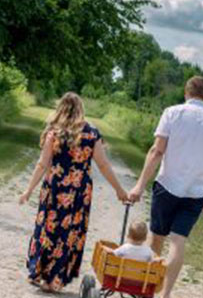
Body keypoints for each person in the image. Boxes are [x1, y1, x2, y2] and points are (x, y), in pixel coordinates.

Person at [129, 76, 203, 298]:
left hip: (167, 186)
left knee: (157, 237)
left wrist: (139, 186)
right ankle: (165, 295)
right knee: (178, 242)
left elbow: (157, 151)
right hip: (196, 193)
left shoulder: (172, 113)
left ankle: (148, 290)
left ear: (187, 93)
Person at [19, 92, 128, 293]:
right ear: (81, 110)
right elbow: (103, 165)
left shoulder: (55, 131)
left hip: (55, 188)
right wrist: (119, 190)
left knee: (48, 230)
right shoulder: (92, 134)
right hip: (79, 192)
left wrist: (28, 190)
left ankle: (42, 275)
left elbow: (43, 164)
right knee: (69, 234)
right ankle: (56, 280)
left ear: (61, 108)